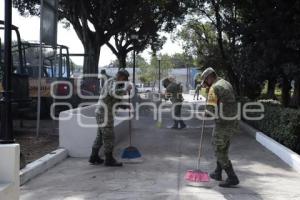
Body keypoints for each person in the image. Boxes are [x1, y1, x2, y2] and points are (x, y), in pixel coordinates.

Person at [199, 67, 240, 187]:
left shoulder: (214, 87)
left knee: (218, 148)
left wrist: (204, 113)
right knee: (223, 147)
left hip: (223, 123)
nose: (205, 84)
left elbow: (210, 110)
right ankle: (218, 172)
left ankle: (232, 177)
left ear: (209, 77)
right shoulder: (225, 82)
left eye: (205, 81)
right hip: (232, 120)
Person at [89, 69, 131, 167]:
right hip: (104, 114)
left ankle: (93, 157)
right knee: (109, 136)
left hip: (103, 113)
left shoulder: (114, 83)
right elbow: (113, 93)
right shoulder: (112, 82)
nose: (125, 81)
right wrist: (125, 89)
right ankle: (109, 160)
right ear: (120, 76)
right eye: (124, 79)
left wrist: (125, 106)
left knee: (100, 137)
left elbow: (114, 100)